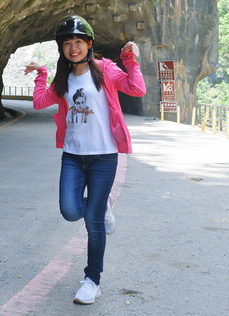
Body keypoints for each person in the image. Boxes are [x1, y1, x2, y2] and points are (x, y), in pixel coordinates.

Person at [24, 15, 146, 305]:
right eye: (67, 43)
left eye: (78, 41)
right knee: (69, 210)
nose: (73, 47)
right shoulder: (63, 77)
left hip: (103, 156)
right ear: (61, 48)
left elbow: (135, 89)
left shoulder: (104, 70)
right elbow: (41, 102)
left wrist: (131, 61)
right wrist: (41, 73)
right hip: (73, 156)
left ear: (89, 44)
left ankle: (92, 280)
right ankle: (101, 202)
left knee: (93, 223)